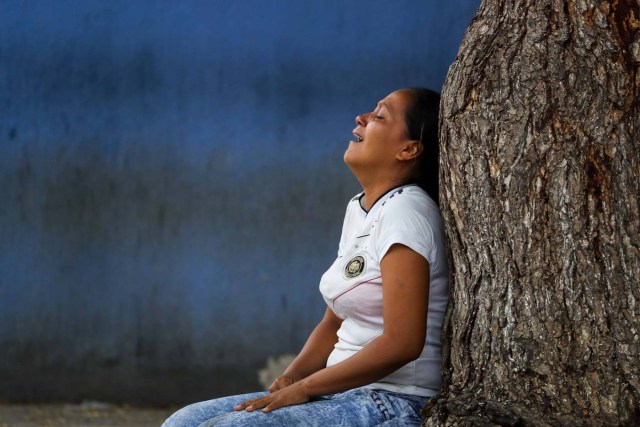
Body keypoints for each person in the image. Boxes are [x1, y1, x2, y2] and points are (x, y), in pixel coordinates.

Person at [162, 87, 448, 427]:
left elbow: (402, 343)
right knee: (181, 422)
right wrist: (291, 378)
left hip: (395, 401)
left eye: (380, 116)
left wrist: (306, 388)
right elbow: (334, 320)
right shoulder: (360, 208)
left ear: (409, 149)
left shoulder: (408, 212)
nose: (362, 118)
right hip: (341, 392)